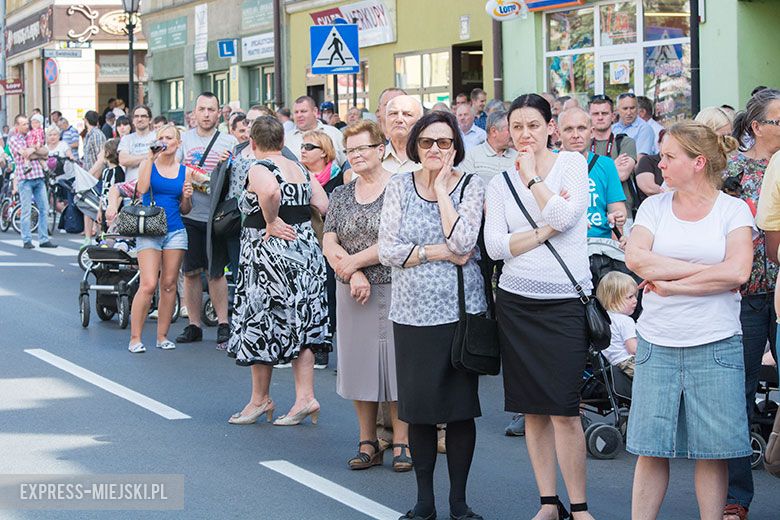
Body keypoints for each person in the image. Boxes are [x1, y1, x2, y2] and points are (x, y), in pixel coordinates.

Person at [624, 121, 753, 520]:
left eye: (668, 156)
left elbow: (738, 274)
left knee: (712, 453)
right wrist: (702, 273)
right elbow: (636, 259)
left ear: (698, 162)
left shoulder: (732, 210)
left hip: (715, 343)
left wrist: (673, 284)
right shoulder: (653, 206)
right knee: (650, 449)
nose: (658, 163)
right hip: (658, 343)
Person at [484, 93, 594, 520]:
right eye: (517, 127)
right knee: (531, 409)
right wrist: (542, 233)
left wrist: (532, 179)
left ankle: (580, 506)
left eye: (533, 125)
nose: (524, 134)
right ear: (507, 132)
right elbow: (495, 245)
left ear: (550, 127)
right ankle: (548, 502)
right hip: (517, 304)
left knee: (565, 410)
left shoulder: (571, 164)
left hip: (564, 301)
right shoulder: (498, 183)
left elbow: (567, 216)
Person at [379, 110, 486, 520]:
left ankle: (458, 502)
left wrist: (443, 190)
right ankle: (425, 501)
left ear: (456, 146)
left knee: (460, 411)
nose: (435, 149)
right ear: (415, 147)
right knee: (419, 410)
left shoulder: (472, 186)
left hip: (460, 314)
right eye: (427, 143)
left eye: (444, 142)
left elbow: (465, 239)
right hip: (411, 315)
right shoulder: (400, 186)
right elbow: (388, 249)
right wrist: (437, 253)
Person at [226, 115, 331, 426]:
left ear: (253, 143)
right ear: (283, 142)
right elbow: (323, 204)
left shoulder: (259, 167)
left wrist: (271, 221)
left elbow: (270, 192)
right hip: (304, 251)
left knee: (262, 319)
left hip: (268, 253)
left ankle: (260, 400)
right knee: (302, 320)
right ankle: (305, 398)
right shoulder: (299, 168)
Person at [322, 120, 411, 471]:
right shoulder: (342, 193)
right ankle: (367, 441)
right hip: (353, 292)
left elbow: (397, 240)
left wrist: (353, 263)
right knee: (360, 368)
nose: (356, 155)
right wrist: (353, 272)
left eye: (362, 148)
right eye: (351, 150)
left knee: (397, 368)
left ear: (380, 149)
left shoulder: (401, 187)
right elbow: (329, 238)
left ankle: (402, 442)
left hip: (395, 286)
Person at [722, 87, 780, 520]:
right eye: (778, 120)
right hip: (747, 297)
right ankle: (737, 497)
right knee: (739, 396)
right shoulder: (735, 169)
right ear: (757, 126)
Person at [176, 92, 238, 348]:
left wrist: (228, 164)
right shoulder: (184, 140)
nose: (206, 114)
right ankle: (194, 324)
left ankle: (223, 323)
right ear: (193, 112)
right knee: (190, 272)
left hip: (218, 217)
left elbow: (236, 179)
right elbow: (175, 171)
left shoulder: (229, 141)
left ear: (219, 112)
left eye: (211, 110)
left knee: (216, 272)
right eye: (201, 109)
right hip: (190, 214)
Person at [127, 124, 193, 353]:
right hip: (149, 230)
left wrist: (187, 197)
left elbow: (185, 209)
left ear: (178, 143)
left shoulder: (184, 170)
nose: (165, 141)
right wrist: (149, 157)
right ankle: (135, 337)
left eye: (169, 138)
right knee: (148, 284)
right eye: (161, 137)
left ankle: (162, 336)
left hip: (175, 230)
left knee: (168, 284)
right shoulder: (149, 163)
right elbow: (142, 188)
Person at [558, 107, 627, 239]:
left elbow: (617, 209)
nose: (576, 135)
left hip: (599, 244)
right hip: (561, 242)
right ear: (558, 133)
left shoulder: (606, 165)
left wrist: (617, 217)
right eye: (568, 129)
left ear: (591, 132)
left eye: (581, 128)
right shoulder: (550, 163)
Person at [8, 115, 57, 249]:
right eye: (23, 124)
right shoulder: (13, 139)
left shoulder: (33, 134)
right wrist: (35, 151)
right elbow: (24, 154)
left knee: (44, 208)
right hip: (25, 178)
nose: (26, 126)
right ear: (17, 126)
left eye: (27, 123)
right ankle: (27, 239)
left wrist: (33, 150)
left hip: (38, 176)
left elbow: (46, 152)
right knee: (26, 210)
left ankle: (43, 239)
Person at [589, 96, 638, 213]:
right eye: (595, 114)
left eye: (604, 113)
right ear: (589, 117)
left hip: (622, 212)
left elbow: (622, 175)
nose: (600, 117)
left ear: (612, 116)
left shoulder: (625, 142)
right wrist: (612, 166)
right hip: (592, 213)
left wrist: (591, 172)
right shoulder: (583, 145)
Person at [595, 271, 638, 378]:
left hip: (612, 364)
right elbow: (633, 349)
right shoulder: (626, 321)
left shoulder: (605, 318)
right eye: (630, 297)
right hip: (628, 362)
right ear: (613, 301)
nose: (635, 300)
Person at [459, 110, 516, 184]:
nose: (513, 133)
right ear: (494, 131)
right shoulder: (471, 156)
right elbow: (467, 188)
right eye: (509, 129)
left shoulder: (518, 158)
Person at [285, 96, 345, 165]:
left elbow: (347, 164)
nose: (299, 115)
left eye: (303, 111)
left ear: (315, 111)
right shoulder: (286, 139)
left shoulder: (334, 133)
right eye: (296, 112)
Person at [383, 95, 423, 174]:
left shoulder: (428, 157)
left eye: (407, 114)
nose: (399, 119)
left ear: (420, 121)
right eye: (393, 113)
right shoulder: (374, 157)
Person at [118, 106, 156, 182]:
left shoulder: (157, 137)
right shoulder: (126, 139)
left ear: (150, 120)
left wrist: (133, 159)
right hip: (131, 186)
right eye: (136, 116)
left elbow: (161, 158)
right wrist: (150, 156)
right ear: (132, 120)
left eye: (143, 116)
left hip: (153, 184)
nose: (139, 119)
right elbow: (123, 160)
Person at [613, 93, 655, 158]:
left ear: (637, 109)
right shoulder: (613, 129)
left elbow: (640, 160)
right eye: (625, 108)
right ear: (617, 110)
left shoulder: (644, 129)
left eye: (632, 108)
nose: (629, 112)